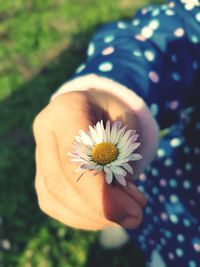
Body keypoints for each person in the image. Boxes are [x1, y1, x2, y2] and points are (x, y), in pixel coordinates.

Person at [33, 0, 200, 266]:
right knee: (136, 204)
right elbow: (178, 30)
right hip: (173, 176)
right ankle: (127, 226)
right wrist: (112, 90)